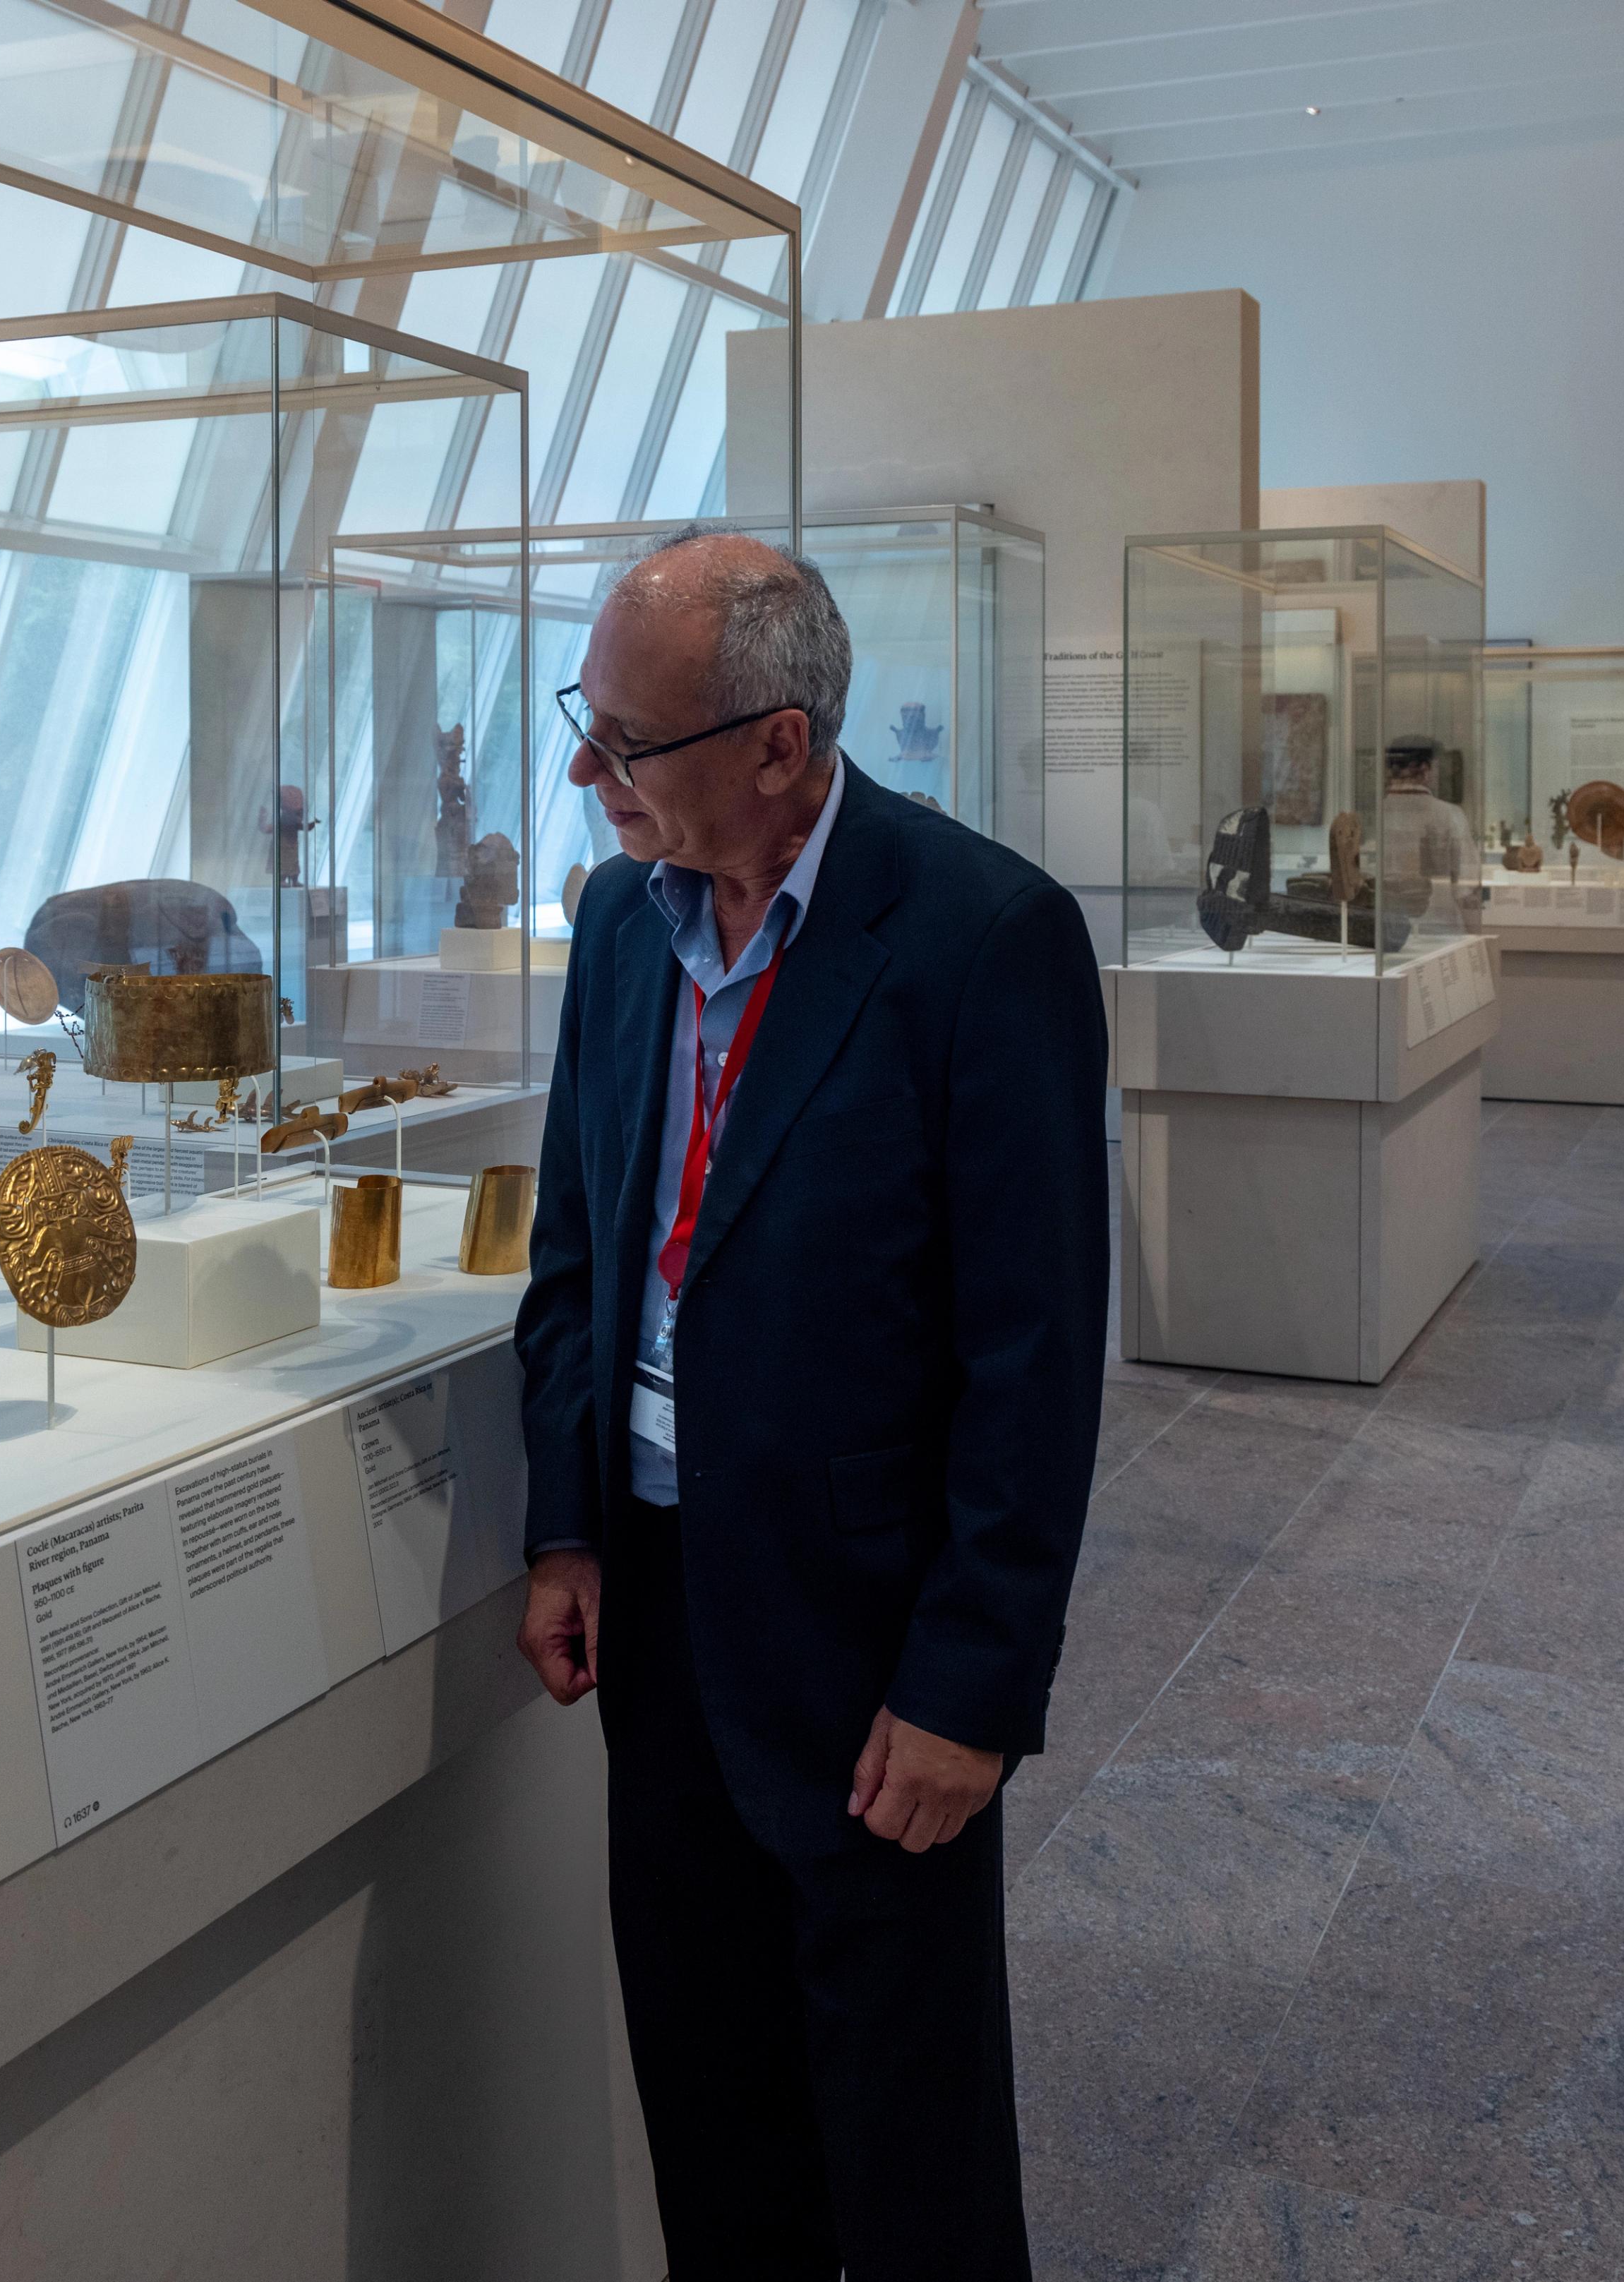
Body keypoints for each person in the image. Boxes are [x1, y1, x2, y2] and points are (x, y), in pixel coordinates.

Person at [513, 529, 1107, 2279]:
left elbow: (1036, 1353)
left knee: (909, 2156)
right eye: (587, 723)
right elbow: (576, 1252)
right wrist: (565, 1520)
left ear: (782, 747)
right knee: (713, 2123)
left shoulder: (981, 937)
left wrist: (970, 1685)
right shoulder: (623, 927)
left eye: (627, 741)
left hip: (872, 1651)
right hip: (665, 1615)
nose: (582, 774)